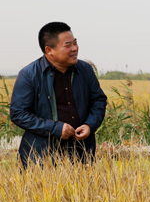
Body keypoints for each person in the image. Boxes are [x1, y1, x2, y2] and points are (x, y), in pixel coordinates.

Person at [10, 22, 107, 168]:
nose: (74, 48)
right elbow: (18, 114)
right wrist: (55, 128)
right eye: (68, 45)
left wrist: (89, 125)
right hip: (41, 158)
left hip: (82, 154)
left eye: (75, 43)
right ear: (49, 50)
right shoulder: (29, 75)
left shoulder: (85, 69)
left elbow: (98, 101)